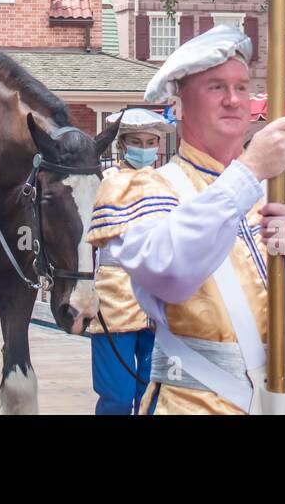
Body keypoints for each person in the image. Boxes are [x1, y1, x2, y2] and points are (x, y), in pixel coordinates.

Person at [87, 26, 285, 415]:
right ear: (178, 106)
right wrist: (247, 173)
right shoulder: (147, 188)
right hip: (193, 406)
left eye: (242, 87)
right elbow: (169, 271)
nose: (233, 100)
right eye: (215, 87)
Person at [90, 108, 171, 415]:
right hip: (113, 301)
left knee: (152, 396)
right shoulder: (103, 182)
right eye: (137, 141)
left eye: (151, 141)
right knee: (117, 396)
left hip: (157, 302)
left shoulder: (167, 183)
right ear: (122, 144)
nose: (145, 147)